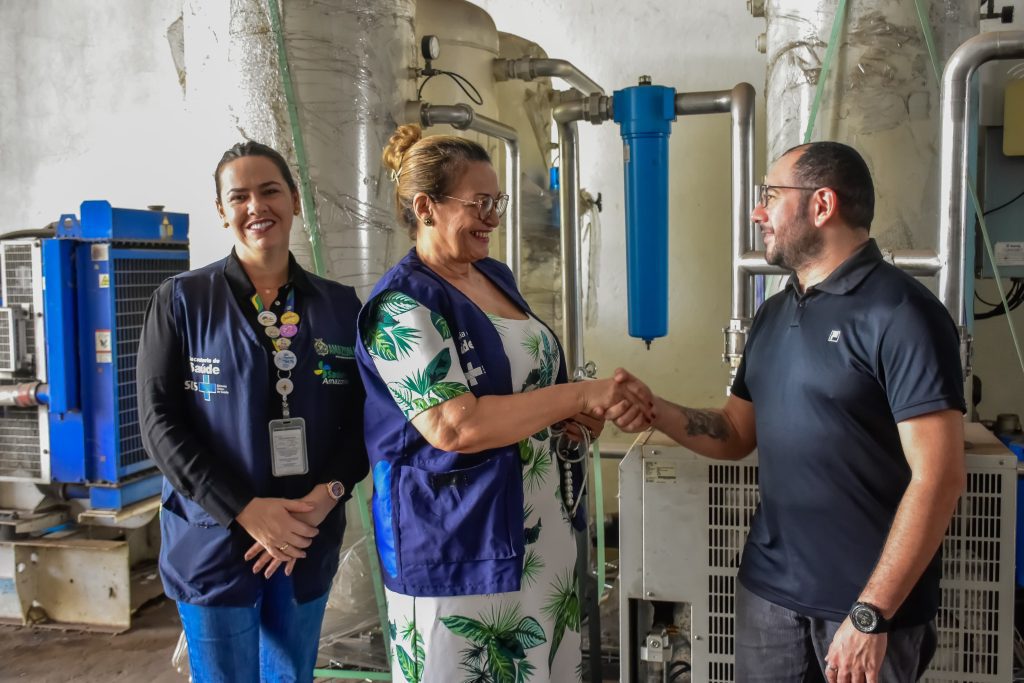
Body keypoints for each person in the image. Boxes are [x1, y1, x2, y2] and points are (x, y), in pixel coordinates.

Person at [608, 142, 966, 683]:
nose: (758, 212)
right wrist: (653, 409)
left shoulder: (902, 313)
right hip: (769, 597)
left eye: (771, 196)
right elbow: (735, 431)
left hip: (864, 609)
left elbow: (939, 477)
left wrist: (871, 613)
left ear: (822, 205)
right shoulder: (774, 313)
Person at [355, 124, 652, 683]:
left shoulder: (494, 276)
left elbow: (524, 392)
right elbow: (453, 426)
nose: (493, 218)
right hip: (459, 546)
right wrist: (576, 394)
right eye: (479, 203)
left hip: (537, 534)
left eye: (498, 202)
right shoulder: (399, 306)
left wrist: (572, 420)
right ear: (426, 207)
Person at [137, 141, 369, 681]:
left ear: (294, 200)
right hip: (214, 537)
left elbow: (365, 419)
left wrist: (328, 495)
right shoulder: (182, 301)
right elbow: (158, 423)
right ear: (222, 211)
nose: (256, 206)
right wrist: (244, 509)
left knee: (291, 676)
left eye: (269, 191)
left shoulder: (340, 307)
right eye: (239, 197)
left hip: (304, 534)